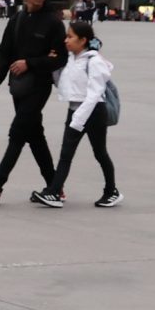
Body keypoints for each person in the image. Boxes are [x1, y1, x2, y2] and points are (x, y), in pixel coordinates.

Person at [0, 0, 66, 204]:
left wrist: (30, 63)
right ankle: (55, 186)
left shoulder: (53, 22)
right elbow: (4, 51)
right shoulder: (17, 19)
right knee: (35, 136)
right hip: (19, 87)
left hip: (39, 86)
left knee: (17, 133)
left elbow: (60, 57)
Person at [43, 20, 120, 208]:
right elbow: (62, 84)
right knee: (66, 154)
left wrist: (78, 119)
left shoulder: (94, 61)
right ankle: (54, 192)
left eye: (70, 37)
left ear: (83, 40)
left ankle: (111, 191)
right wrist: (53, 64)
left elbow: (95, 93)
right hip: (75, 110)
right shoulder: (70, 59)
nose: (66, 40)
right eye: (66, 36)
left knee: (100, 152)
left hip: (93, 112)